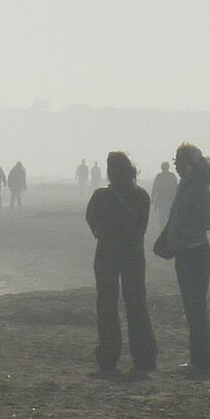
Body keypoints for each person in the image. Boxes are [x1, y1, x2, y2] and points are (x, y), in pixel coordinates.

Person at [84, 151, 157, 380]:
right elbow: (142, 227)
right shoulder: (141, 195)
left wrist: (102, 231)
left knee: (107, 305)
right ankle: (144, 359)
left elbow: (91, 218)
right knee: (136, 305)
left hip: (107, 253)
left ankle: (108, 359)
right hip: (133, 254)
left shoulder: (101, 196)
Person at [153, 142, 210, 376]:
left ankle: (202, 360)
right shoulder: (187, 185)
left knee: (196, 308)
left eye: (179, 162)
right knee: (191, 308)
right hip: (185, 252)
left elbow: (207, 221)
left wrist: (182, 232)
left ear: (190, 165)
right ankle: (197, 358)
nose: (176, 166)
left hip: (195, 252)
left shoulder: (197, 187)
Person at [151, 159, 180, 227]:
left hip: (169, 199)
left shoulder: (168, 176)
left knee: (166, 216)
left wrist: (153, 198)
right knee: (163, 216)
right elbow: (155, 188)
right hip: (163, 199)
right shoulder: (163, 176)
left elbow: (175, 188)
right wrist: (153, 198)